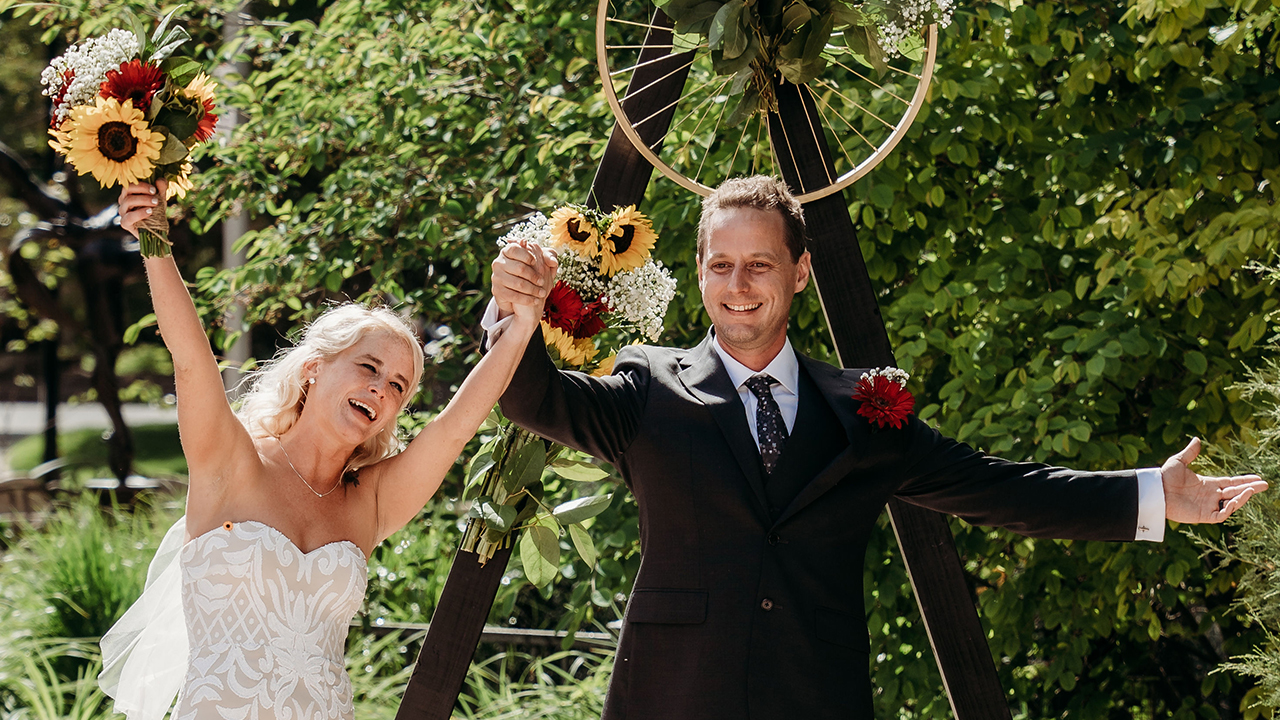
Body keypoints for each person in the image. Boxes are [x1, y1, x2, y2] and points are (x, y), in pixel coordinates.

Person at [487, 175, 1268, 720]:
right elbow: (532, 396)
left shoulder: (865, 409)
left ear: (798, 272)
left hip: (816, 698)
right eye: (720, 265)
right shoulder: (648, 387)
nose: (738, 284)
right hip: (673, 697)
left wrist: (1150, 495)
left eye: (759, 264)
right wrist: (511, 315)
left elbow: (1001, 488)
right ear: (699, 273)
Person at [98, 179, 555, 720]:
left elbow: (456, 426)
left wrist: (523, 323)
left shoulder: (372, 501)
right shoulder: (232, 460)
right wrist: (155, 244)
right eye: (369, 367)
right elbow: (191, 358)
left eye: (398, 387)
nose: (381, 390)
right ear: (314, 369)